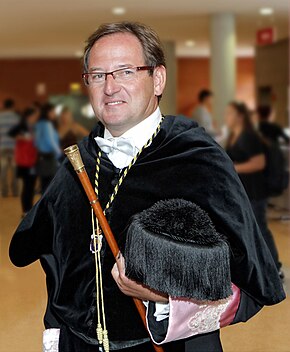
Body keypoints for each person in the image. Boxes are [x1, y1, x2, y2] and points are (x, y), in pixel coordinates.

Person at [9, 22, 285, 352]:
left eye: (125, 71)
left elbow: (252, 287)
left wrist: (165, 298)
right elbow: (42, 249)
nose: (109, 87)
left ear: (158, 79)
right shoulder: (77, 163)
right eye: (98, 75)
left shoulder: (197, 160)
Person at [225, 101, 282, 274]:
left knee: (260, 229)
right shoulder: (234, 135)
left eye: (229, 113)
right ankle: (256, 265)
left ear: (240, 116)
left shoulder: (248, 136)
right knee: (248, 230)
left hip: (255, 191)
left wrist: (234, 167)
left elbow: (259, 163)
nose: (226, 117)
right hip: (243, 191)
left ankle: (275, 268)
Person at [9, 107, 39, 217]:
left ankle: (29, 209)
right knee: (27, 186)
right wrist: (22, 137)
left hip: (32, 159)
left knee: (31, 185)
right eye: (35, 116)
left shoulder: (34, 126)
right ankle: (26, 210)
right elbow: (11, 133)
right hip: (24, 161)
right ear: (29, 116)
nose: (36, 118)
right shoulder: (21, 126)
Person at [35, 103, 61, 193]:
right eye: (53, 111)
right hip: (50, 157)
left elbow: (36, 141)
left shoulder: (39, 124)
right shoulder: (47, 124)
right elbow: (50, 141)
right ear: (48, 112)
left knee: (44, 184)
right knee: (50, 186)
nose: (54, 114)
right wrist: (59, 153)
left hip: (41, 157)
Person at [0, 98, 20, 197]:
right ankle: (15, 191)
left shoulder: (0, 117)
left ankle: (4, 192)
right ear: (12, 106)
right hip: (14, 147)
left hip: (3, 146)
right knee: (15, 170)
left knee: (3, 169)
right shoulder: (16, 118)